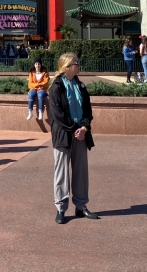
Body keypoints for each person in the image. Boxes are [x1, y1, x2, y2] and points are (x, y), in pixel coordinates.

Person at [50, 53, 99, 224]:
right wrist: (74, 129)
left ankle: (81, 206)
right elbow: (58, 115)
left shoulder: (81, 85)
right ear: (67, 67)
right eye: (76, 63)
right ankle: (61, 208)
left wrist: (84, 127)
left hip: (81, 135)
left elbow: (87, 110)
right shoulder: (56, 86)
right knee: (61, 173)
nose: (79, 65)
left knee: (81, 172)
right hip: (64, 135)